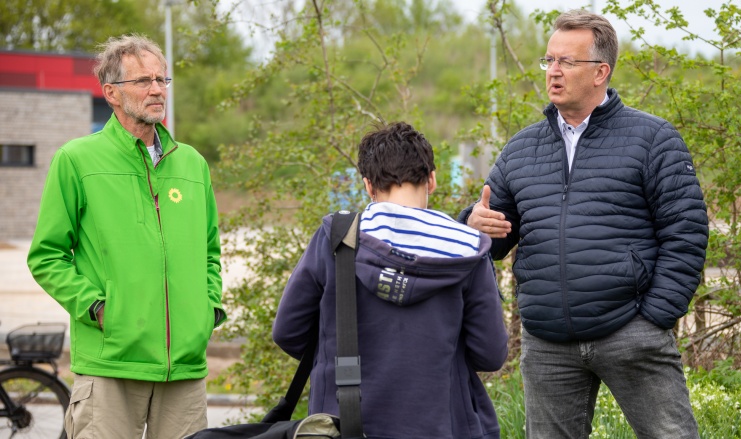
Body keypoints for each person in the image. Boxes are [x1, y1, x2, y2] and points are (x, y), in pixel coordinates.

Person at [458, 9, 709, 439]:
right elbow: (490, 235)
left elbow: (686, 232)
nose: (553, 72)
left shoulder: (652, 139)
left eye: (566, 62)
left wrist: (653, 318)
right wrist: (473, 224)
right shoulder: (521, 149)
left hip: (631, 331)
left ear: (601, 72)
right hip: (548, 343)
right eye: (549, 60)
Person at [27, 34, 225, 438]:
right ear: (110, 93)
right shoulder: (77, 160)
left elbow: (209, 252)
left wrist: (206, 311)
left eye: (162, 80)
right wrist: (99, 309)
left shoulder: (192, 164)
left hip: (184, 368)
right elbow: (46, 256)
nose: (157, 89)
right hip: (110, 364)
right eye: (143, 81)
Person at [273, 122, 509, 438]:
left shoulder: (337, 237)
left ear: (369, 186)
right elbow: (490, 353)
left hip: (343, 422)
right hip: (442, 423)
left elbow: (289, 332)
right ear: (432, 180)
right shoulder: (468, 248)